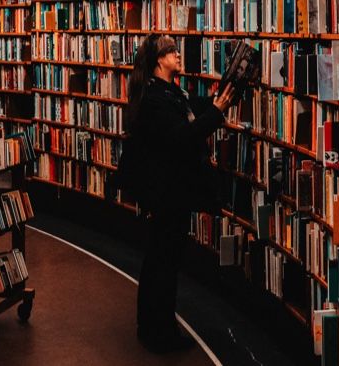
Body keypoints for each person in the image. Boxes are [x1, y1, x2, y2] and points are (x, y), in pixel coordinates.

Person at [119, 34, 235, 353]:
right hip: (166, 192)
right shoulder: (155, 99)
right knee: (164, 262)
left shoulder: (170, 92)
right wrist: (216, 112)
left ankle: (154, 325)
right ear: (159, 60)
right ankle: (160, 333)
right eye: (171, 51)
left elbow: (191, 114)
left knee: (161, 259)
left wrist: (217, 101)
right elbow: (182, 137)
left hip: (169, 190)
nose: (178, 54)